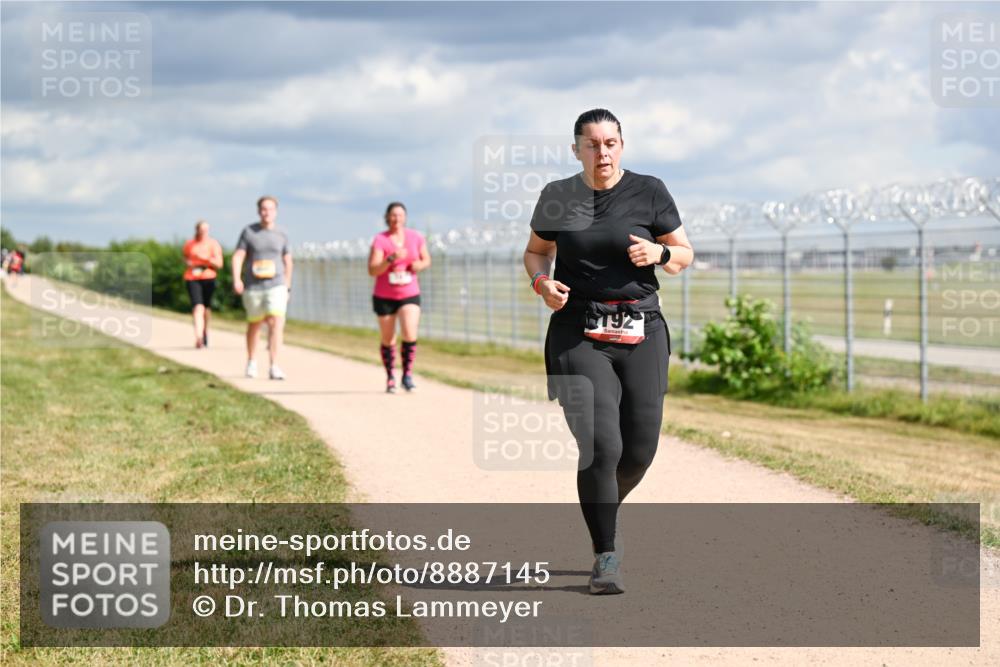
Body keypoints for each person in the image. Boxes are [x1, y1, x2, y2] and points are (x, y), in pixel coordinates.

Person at [523, 108, 694, 595]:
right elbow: (536, 250)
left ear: (623, 145)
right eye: (593, 144)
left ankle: (602, 508)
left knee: (639, 449)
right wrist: (542, 283)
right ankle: (606, 555)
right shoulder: (558, 196)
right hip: (579, 331)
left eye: (611, 143)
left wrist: (660, 254)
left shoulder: (650, 190)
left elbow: (683, 254)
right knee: (602, 446)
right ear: (576, 148)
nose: (603, 152)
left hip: (643, 329)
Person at [367, 202, 431, 393]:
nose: (397, 219)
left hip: (409, 292)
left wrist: (419, 265)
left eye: (400, 215)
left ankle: (407, 374)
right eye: (393, 215)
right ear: (387, 217)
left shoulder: (416, 237)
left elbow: (426, 259)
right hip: (384, 295)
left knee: (409, 332)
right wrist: (390, 259)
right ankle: (390, 376)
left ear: (405, 217)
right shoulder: (380, 240)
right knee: (388, 338)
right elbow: (372, 270)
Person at [231, 196, 293, 380]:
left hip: (277, 284)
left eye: (271, 209)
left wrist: (287, 285)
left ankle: (274, 365)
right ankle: (251, 361)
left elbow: (288, 261)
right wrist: (237, 279)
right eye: (264, 209)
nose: (267, 212)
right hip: (254, 286)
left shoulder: (282, 234)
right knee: (254, 324)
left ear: (276, 211)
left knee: (276, 322)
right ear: (259, 211)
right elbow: (238, 256)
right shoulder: (249, 232)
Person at [182, 220, 224, 348]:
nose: (204, 232)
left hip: (208, 277)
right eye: (202, 229)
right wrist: (189, 262)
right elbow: (185, 257)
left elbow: (219, 264)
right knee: (197, 307)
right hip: (192, 277)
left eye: (206, 230)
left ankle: (205, 331)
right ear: (197, 230)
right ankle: (199, 337)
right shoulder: (190, 244)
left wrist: (206, 260)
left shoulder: (213, 244)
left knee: (205, 309)